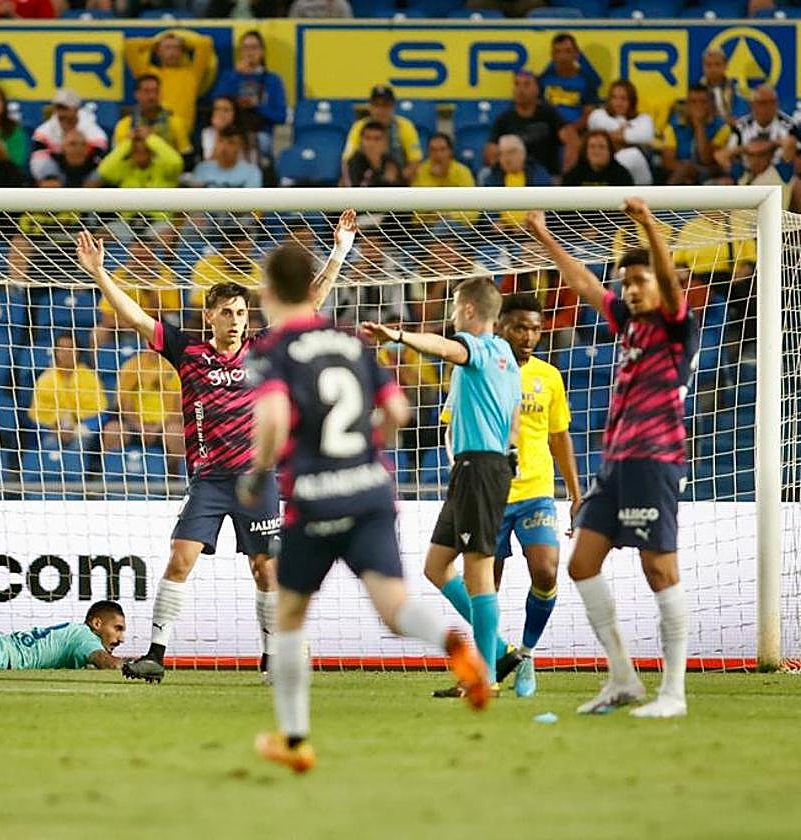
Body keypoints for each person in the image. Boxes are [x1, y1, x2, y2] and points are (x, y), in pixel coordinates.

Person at [74, 210, 358, 684]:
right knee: (180, 558)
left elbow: (310, 302)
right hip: (209, 480)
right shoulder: (188, 352)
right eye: (226, 312)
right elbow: (137, 318)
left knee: (265, 571)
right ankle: (157, 655)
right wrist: (101, 273)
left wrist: (339, 252)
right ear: (209, 315)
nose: (235, 320)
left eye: (241, 312)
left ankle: (272, 661)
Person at [240, 244, 490, 773]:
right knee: (395, 608)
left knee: (288, 615)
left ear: (267, 292)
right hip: (372, 491)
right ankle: (449, 641)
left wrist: (260, 472)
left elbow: (276, 419)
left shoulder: (272, 350)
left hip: (313, 499)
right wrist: (365, 447)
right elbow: (398, 409)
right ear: (313, 287)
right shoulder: (351, 342)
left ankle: (294, 739)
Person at [525, 200, 697, 719]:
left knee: (660, 570)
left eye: (640, 280)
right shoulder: (626, 326)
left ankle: (674, 694)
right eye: (626, 283)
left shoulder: (674, 326)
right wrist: (542, 235)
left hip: (655, 460)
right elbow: (582, 284)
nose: (631, 289)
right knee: (580, 564)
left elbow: (669, 283)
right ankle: (623, 676)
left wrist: (647, 224)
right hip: (616, 465)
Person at [361, 278, 523, 693]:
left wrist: (396, 335)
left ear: (469, 310)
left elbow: (448, 348)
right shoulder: (506, 353)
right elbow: (515, 409)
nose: (452, 316)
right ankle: (501, 650)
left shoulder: (479, 347)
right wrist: (513, 448)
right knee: (437, 566)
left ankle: (484, 675)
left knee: (478, 573)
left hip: (481, 469)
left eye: (455, 308)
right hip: (477, 467)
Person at [432, 293, 580, 699]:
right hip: (489, 490)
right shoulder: (479, 366)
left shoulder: (548, 376)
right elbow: (450, 422)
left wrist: (575, 491)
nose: (529, 335)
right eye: (520, 327)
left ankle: (525, 654)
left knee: (547, 570)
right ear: (501, 326)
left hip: (535, 490)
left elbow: (559, 435)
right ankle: (495, 658)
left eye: (535, 328)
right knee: (484, 585)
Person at [123, 29, 215, 137]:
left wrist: (182, 41)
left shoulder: (192, 74)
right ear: (158, 51)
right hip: (152, 133)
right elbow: (129, 46)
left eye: (176, 48)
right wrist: (155, 42)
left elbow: (205, 43)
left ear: (182, 51)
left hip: (182, 136)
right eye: (167, 48)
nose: (172, 52)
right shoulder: (149, 74)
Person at [211, 30, 287, 160]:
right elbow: (217, 103)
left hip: (259, 133)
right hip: (230, 131)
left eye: (254, 48)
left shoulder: (272, 80)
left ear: (262, 52)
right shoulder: (230, 76)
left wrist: (258, 106)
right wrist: (237, 76)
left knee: (253, 144)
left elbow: (281, 116)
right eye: (245, 48)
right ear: (240, 52)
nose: (249, 52)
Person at [488, 70, 574, 178]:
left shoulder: (550, 115)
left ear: (537, 89)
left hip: (547, 178)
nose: (521, 90)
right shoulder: (504, 119)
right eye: (517, 84)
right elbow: (491, 151)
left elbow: (572, 141)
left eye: (526, 84)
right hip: (514, 177)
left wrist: (564, 175)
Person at [28, 333, 108, 446]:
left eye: (71, 348)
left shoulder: (90, 377)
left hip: (83, 427)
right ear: (55, 352)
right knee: (50, 443)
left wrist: (77, 428)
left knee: (80, 441)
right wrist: (55, 430)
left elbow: (100, 411)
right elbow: (37, 415)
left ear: (78, 352)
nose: (67, 353)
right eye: (62, 349)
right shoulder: (45, 379)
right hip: (52, 430)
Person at [342, 86, 422, 184]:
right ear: (370, 106)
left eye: (385, 105)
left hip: (398, 184)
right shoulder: (359, 127)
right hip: (366, 182)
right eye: (376, 105)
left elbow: (415, 162)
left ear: (393, 106)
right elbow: (347, 160)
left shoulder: (405, 126)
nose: (381, 110)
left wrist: (396, 181)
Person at [586, 80, 655, 186]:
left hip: (639, 176)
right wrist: (624, 130)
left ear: (632, 101)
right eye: (614, 98)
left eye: (623, 98)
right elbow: (598, 125)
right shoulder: (598, 115)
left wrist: (615, 136)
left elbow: (646, 137)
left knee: (632, 154)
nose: (618, 103)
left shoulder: (644, 119)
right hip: (604, 168)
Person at [720, 84, 797, 172]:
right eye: (762, 103)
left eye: (772, 102)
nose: (768, 107)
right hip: (747, 172)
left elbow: (791, 153)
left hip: (778, 173)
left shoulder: (789, 125)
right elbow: (724, 155)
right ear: (752, 105)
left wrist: (769, 145)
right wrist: (747, 149)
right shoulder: (741, 126)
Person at [668, 83, 732, 186]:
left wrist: (699, 125)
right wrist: (687, 171)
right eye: (693, 102)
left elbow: (706, 160)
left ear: (710, 104)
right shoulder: (674, 127)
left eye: (703, 102)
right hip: (680, 175)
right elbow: (668, 161)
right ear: (687, 104)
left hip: (709, 174)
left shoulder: (722, 128)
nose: (698, 106)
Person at [112, 75, 191, 156]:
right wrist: (128, 143)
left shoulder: (175, 122)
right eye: (147, 91)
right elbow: (114, 161)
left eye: (156, 91)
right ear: (137, 94)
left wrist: (152, 139)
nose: (152, 96)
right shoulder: (124, 125)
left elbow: (188, 160)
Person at [538, 33, 600, 134]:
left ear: (576, 54)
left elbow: (588, 115)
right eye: (558, 52)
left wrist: (569, 131)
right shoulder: (543, 80)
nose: (563, 57)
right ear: (552, 56)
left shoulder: (588, 81)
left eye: (568, 51)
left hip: (576, 134)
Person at [30, 88, 109, 164]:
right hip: (56, 172)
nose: (60, 113)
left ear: (76, 109)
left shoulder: (94, 131)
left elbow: (99, 159)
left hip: (86, 171)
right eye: (57, 108)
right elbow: (38, 160)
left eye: (64, 108)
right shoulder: (43, 131)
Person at [189, 126, 262, 188]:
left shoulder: (252, 172)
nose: (224, 147)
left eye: (231, 143)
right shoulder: (202, 169)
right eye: (220, 141)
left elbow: (251, 202)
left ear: (240, 146)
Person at [29, 128, 102, 187]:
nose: (78, 149)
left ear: (88, 149)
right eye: (72, 144)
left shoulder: (98, 168)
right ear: (62, 148)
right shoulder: (51, 165)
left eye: (83, 144)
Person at [340, 120, 403, 187]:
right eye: (367, 138)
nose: (371, 143)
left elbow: (403, 189)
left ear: (385, 142)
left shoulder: (391, 162)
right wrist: (376, 167)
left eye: (377, 139)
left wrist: (394, 181)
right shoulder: (352, 163)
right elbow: (356, 193)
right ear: (361, 140)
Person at [562, 130, 635, 187]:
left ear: (610, 151)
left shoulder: (622, 176)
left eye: (601, 147)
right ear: (585, 151)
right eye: (592, 147)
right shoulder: (573, 176)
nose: (597, 151)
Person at [200, 95, 256, 165]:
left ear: (235, 113)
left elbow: (250, 163)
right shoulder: (207, 132)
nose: (221, 114)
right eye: (217, 109)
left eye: (226, 110)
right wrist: (219, 131)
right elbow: (209, 164)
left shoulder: (245, 133)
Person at [700, 48, 738, 125]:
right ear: (703, 67)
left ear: (725, 66)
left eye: (717, 64)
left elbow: (741, 114)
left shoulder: (736, 91)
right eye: (708, 65)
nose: (713, 69)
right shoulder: (696, 93)